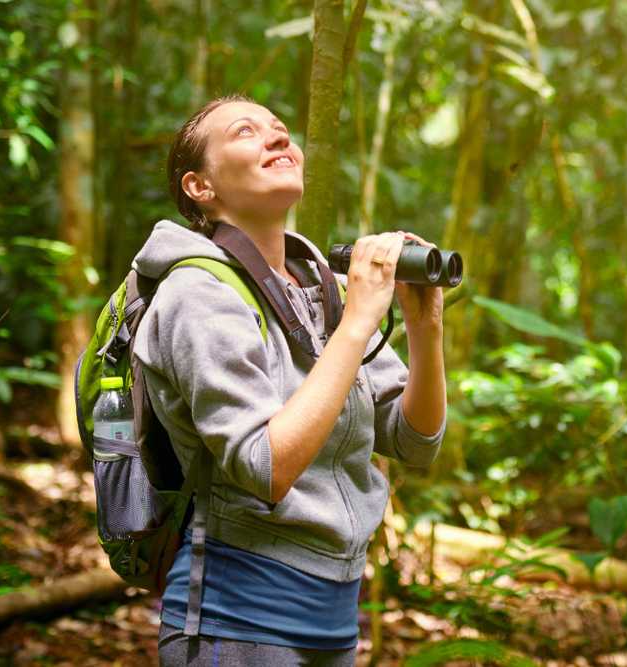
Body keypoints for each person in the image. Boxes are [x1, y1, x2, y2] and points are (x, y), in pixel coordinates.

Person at [131, 93, 447, 666]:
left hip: (333, 625)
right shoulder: (197, 293)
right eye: (246, 132)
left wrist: (425, 327)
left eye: (280, 128)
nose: (277, 137)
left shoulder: (319, 288)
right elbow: (264, 467)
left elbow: (414, 440)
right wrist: (357, 322)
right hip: (235, 622)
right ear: (200, 186)